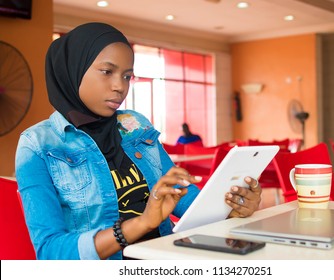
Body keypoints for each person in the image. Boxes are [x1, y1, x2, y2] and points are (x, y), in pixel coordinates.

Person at [15, 22, 262, 260]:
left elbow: (182, 197)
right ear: (73, 69)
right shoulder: (38, 145)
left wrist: (232, 208)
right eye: (107, 71)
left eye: (126, 76)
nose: (119, 87)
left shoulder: (134, 125)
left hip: (164, 260)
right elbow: (49, 251)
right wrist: (140, 224)